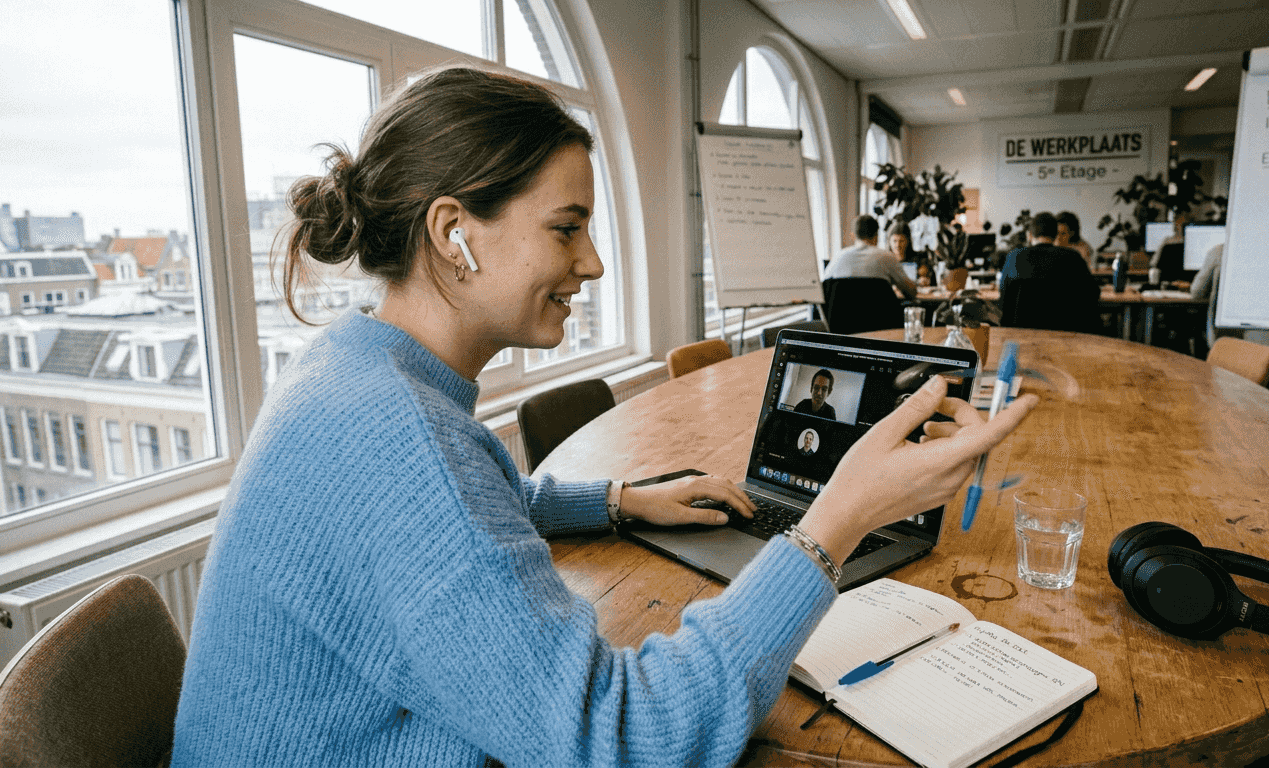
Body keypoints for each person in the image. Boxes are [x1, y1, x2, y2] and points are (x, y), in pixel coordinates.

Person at [171, 67, 1037, 767]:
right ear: (453, 233)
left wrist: (621, 501)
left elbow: (471, 503)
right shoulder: (402, 439)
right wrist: (834, 522)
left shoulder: (352, 368)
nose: (589, 261)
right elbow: (622, 740)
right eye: (566, 227)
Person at [999, 211, 1101, 334]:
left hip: (1021, 336)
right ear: (1055, 234)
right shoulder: (1072, 257)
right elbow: (1093, 292)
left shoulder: (1014, 257)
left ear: (1030, 235)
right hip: (1065, 336)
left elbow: (1004, 295)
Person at [823, 214, 917, 300]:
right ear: (876, 236)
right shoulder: (887, 257)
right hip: (879, 317)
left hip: (840, 317)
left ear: (853, 236)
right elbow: (911, 292)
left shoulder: (838, 257)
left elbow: (822, 291)